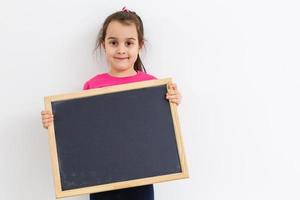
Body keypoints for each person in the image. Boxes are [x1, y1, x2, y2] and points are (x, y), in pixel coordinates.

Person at [41, 7, 182, 200]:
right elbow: (81, 130)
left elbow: (159, 127)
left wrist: (173, 101)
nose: (121, 50)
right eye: (113, 42)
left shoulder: (152, 85)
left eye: (129, 43)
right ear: (103, 44)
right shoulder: (93, 85)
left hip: (141, 176)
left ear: (140, 45)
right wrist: (55, 122)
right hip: (101, 178)